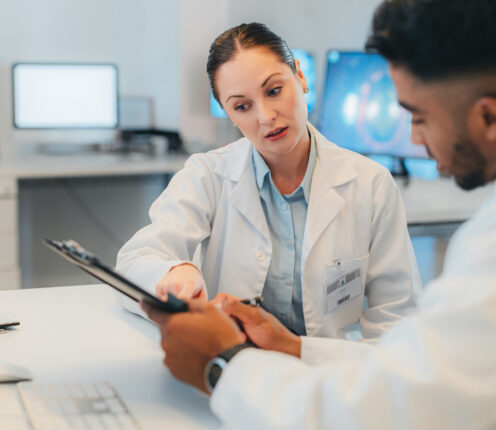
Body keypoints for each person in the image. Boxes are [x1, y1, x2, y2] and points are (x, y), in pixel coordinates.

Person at [143, 0, 496, 428]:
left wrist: (225, 366)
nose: (415, 140)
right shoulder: (210, 173)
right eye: (241, 106)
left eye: (417, 117)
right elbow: (418, 372)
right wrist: (291, 348)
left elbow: (397, 402)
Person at [117, 23, 420, 341]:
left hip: (329, 373)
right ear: (228, 114)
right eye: (242, 106)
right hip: (235, 367)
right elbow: (133, 262)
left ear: (300, 77)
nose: (265, 116)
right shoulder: (207, 175)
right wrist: (172, 272)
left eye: (274, 91)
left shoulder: (371, 185)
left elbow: (396, 318)